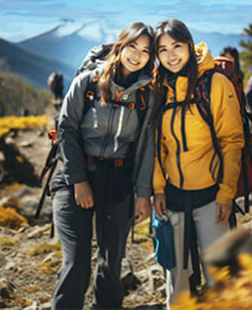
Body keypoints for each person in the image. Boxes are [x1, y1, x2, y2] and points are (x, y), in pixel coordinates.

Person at [49, 22, 156, 309]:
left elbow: (147, 148)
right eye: (133, 46)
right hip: (75, 177)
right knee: (77, 262)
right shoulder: (88, 82)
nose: (137, 55)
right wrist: (79, 180)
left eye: (146, 51)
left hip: (119, 181)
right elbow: (66, 130)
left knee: (111, 263)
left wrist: (143, 194)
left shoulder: (147, 95)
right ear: (121, 45)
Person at [150, 19, 244, 305]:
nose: (171, 55)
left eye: (176, 46)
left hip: (211, 195)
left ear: (190, 46)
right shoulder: (159, 88)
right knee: (176, 281)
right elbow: (157, 147)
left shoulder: (215, 83)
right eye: (163, 50)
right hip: (173, 196)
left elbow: (232, 142)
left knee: (220, 280)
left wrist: (227, 194)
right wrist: (158, 190)